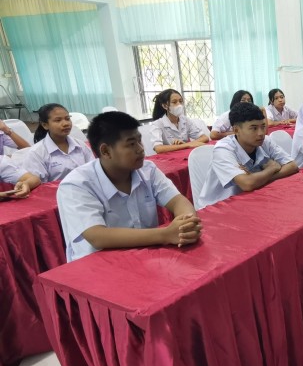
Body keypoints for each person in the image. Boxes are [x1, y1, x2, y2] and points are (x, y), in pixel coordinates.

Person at [57, 111, 201, 262]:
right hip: (98, 266)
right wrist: (165, 235)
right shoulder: (77, 185)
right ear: (106, 151)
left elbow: (178, 201)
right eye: (131, 144)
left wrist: (187, 225)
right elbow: (97, 236)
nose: (140, 149)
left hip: (146, 256)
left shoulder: (148, 170)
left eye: (139, 141)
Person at [196, 102, 298, 209]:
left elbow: (292, 166)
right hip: (218, 207)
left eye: (263, 126)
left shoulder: (265, 141)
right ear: (236, 130)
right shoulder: (223, 149)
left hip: (251, 199)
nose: (261, 133)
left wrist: (259, 179)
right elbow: (247, 184)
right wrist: (271, 169)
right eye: (254, 128)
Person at [23, 103, 94, 182]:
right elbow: (39, 184)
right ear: (45, 125)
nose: (66, 124)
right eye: (58, 120)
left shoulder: (80, 145)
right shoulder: (37, 153)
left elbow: (93, 170)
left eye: (67, 119)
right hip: (55, 189)